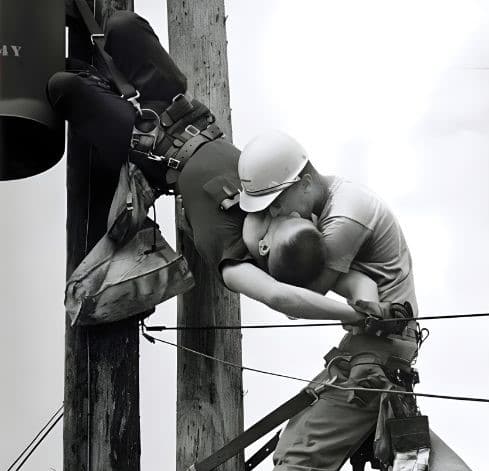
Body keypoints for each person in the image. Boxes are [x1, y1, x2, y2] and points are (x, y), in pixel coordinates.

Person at [185, 133, 432, 471]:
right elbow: (351, 283)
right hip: (368, 352)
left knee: (299, 460)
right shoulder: (325, 206)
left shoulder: (344, 216)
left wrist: (245, 243)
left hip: (375, 358)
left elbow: (292, 288)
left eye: (276, 203)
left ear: (301, 181)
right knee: (298, 451)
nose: (276, 215)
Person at [50, 8, 372, 326]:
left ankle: (86, 74)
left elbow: (281, 298)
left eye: (282, 221)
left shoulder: (236, 261)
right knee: (121, 25)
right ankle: (93, 54)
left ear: (264, 248)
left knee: (64, 86)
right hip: (181, 109)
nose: (283, 211)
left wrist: (351, 316)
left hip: (148, 144)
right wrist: (372, 307)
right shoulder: (274, 211)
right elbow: (355, 280)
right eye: (296, 215)